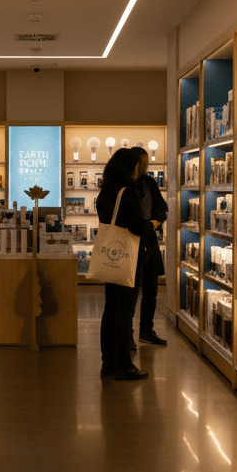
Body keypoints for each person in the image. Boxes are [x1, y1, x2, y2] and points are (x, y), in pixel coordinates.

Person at [96, 148, 150, 380]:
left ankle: (108, 363)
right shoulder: (128, 192)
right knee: (124, 313)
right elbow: (138, 226)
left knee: (110, 310)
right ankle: (124, 364)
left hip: (110, 256)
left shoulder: (105, 192)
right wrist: (150, 225)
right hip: (129, 257)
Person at [131, 146, 168, 346]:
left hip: (149, 243)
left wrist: (152, 224)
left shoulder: (149, 182)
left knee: (151, 291)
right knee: (130, 291)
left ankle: (146, 330)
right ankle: (127, 333)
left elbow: (162, 209)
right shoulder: (125, 185)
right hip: (131, 243)